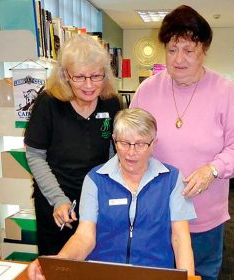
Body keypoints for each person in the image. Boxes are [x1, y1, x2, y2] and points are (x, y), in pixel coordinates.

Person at [130, 5, 234, 280]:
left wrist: (213, 169)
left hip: (204, 214)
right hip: (156, 214)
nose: (179, 59)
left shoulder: (224, 91)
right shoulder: (147, 90)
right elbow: (132, 141)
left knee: (200, 274)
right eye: (172, 49)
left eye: (188, 50)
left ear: (204, 50)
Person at [28, 108, 196, 279]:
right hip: (104, 273)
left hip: (155, 273)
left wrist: (189, 278)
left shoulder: (172, 179)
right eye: (124, 143)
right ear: (115, 141)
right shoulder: (95, 179)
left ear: (153, 144)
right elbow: (85, 235)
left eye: (140, 144)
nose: (131, 152)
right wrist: (60, 262)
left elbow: (180, 238)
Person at [24, 34, 121, 255]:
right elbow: (35, 156)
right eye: (79, 77)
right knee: (59, 266)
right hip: (56, 201)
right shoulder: (48, 103)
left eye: (96, 76)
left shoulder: (111, 102)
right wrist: (58, 200)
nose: (89, 85)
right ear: (65, 75)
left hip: (97, 199)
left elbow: (113, 153)